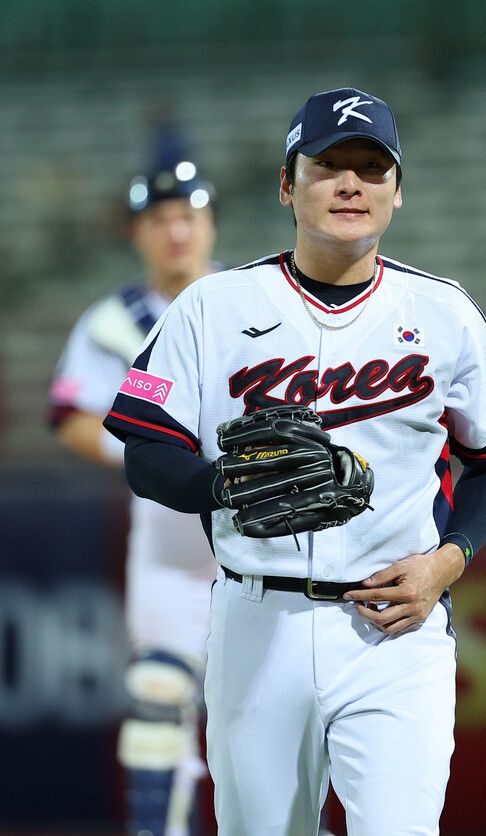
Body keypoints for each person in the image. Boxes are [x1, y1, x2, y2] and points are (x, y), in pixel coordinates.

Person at [103, 88, 486, 836]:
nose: (350, 183)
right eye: (328, 164)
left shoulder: (446, 312)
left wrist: (450, 561)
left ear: (398, 191)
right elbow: (145, 451)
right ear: (285, 184)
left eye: (371, 167)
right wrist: (220, 484)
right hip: (256, 618)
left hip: (397, 630)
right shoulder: (211, 306)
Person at [50, 161, 221, 836]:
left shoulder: (252, 298)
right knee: (158, 697)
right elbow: (70, 416)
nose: (177, 232)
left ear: (210, 225)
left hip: (261, 530)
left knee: (288, 709)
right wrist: (151, 452)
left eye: (189, 217)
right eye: (160, 220)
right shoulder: (115, 322)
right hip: (170, 537)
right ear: (137, 232)